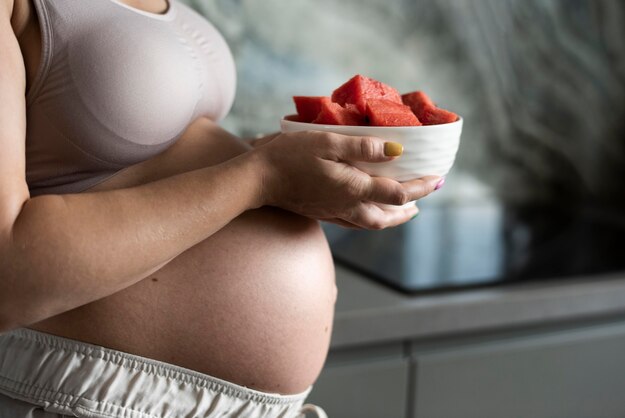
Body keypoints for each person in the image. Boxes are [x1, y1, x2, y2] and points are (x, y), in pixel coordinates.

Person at [0, 0, 442, 416]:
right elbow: (7, 272)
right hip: (98, 396)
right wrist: (262, 176)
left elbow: (157, 164)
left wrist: (301, 173)